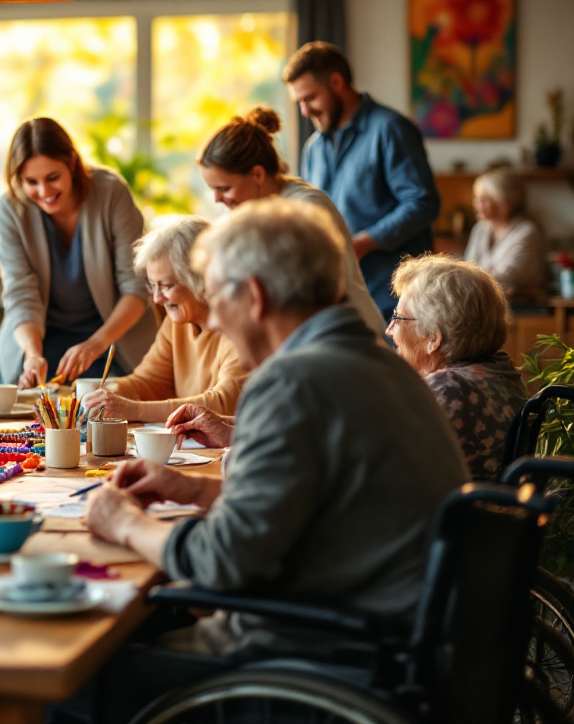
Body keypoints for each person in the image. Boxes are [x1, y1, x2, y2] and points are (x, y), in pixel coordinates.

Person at [74, 199, 466, 720]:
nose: (211, 319)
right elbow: (329, 504)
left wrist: (123, 523)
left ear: (254, 296)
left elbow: (222, 563)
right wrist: (197, 490)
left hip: (318, 662)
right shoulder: (384, 367)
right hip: (404, 651)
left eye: (215, 299)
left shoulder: (291, 382)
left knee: (75, 680)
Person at [0, 117, 156, 387]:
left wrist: (95, 344)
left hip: (114, 339)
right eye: (30, 181)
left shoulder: (110, 192)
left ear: (71, 162)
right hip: (42, 340)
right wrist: (33, 355)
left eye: (52, 178)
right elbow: (20, 292)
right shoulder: (9, 208)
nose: (44, 191)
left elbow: (136, 287)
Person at [286, 41, 440, 322]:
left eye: (310, 98)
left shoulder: (391, 129)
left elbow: (422, 202)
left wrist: (362, 244)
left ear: (336, 82)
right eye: (299, 103)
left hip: (397, 299)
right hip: (340, 298)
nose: (305, 111)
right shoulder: (313, 149)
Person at [198, 105, 385, 335]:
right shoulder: (246, 210)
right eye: (213, 190)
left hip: (347, 337)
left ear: (257, 174)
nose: (217, 199)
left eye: (224, 188)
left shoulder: (306, 209)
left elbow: (303, 294)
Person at [79, 218, 247, 422]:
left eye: (166, 286)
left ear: (200, 278)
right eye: (152, 285)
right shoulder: (176, 323)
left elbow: (225, 403)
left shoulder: (240, 323)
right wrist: (101, 395)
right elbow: (146, 382)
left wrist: (134, 410)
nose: (157, 299)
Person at [389, 255, 528, 480]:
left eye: (398, 318)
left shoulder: (448, 389)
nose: (390, 330)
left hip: (456, 512)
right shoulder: (501, 371)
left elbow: (390, 474)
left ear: (433, 337)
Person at [464, 168, 548, 304]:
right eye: (476, 199)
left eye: (483, 200)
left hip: (522, 307)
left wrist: (466, 279)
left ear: (505, 203)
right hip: (486, 304)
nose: (476, 205)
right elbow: (467, 266)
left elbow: (508, 277)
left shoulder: (527, 232)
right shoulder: (481, 229)